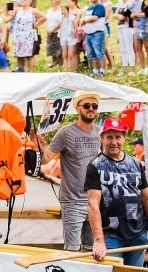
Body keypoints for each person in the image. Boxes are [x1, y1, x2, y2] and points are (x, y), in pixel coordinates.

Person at [86, 118, 148, 267]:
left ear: (124, 138)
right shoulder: (95, 166)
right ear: (102, 138)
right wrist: (98, 240)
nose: (114, 142)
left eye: (118, 137)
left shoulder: (136, 164)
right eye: (109, 137)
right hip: (111, 235)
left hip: (138, 233)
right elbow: (93, 204)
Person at [34, 91, 101, 252]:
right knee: (72, 249)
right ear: (78, 109)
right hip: (73, 200)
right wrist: (40, 146)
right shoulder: (65, 133)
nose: (91, 109)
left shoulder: (101, 132)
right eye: (87, 105)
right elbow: (46, 159)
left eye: (94, 106)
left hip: (95, 200)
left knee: (91, 249)